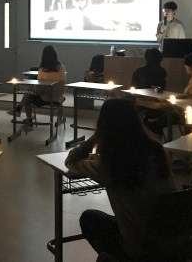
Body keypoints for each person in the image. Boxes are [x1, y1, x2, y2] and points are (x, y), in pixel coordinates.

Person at [65, 98, 176, 260]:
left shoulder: (110, 165)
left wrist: (95, 138)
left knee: (89, 219)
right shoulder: (157, 151)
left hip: (138, 244)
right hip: (171, 240)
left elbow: (71, 161)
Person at [12, 45, 66, 131]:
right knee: (30, 90)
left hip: (44, 98)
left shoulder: (42, 70)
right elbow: (62, 82)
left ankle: (27, 118)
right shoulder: (62, 68)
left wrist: (34, 90)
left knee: (28, 96)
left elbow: (39, 88)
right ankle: (18, 109)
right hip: (58, 97)